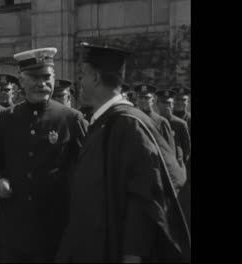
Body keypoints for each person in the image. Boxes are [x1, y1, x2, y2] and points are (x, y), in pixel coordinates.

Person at [56, 43, 190, 263]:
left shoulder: (129, 125)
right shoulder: (104, 122)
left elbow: (144, 198)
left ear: (95, 78)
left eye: (82, 75)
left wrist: (132, 254)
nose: (79, 82)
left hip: (116, 249)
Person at [0, 47, 88, 262]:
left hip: (56, 227)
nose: (41, 83)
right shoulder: (5, 119)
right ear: (21, 82)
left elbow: (88, 168)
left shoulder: (71, 119)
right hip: (15, 228)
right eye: (34, 77)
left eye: (46, 77)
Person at [155, 89, 191, 233]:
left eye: (169, 102)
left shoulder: (181, 124)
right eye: (164, 102)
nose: (169, 105)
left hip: (179, 172)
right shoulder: (156, 121)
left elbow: (186, 149)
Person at [134, 84, 175, 151]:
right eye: (140, 97)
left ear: (153, 100)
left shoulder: (161, 121)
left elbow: (170, 149)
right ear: (136, 100)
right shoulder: (133, 118)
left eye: (147, 98)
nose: (143, 100)